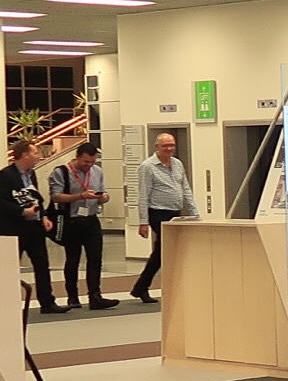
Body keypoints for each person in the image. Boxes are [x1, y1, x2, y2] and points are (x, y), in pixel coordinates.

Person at [46, 140, 118, 310]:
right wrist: (80, 196)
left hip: (91, 219)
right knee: (73, 259)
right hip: (71, 221)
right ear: (77, 157)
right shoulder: (61, 172)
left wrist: (103, 197)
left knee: (95, 258)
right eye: (86, 161)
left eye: (92, 162)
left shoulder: (97, 171)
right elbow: (56, 196)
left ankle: (95, 296)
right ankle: (72, 296)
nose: (89, 165)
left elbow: (104, 193)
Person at [131, 132, 198, 304]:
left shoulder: (177, 164)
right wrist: (143, 222)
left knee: (164, 251)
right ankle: (142, 287)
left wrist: (194, 213)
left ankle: (141, 287)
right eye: (165, 145)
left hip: (175, 212)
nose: (169, 148)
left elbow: (185, 189)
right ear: (157, 147)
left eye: (172, 145)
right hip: (157, 212)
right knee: (163, 250)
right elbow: (143, 195)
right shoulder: (147, 166)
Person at [1, 140, 64, 314]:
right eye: (35, 153)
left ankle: (47, 302)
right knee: (11, 266)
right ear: (24, 155)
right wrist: (22, 212)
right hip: (14, 228)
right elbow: (2, 202)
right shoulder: (6, 175)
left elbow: (35, 197)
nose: (38, 156)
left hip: (35, 227)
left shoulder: (31, 174)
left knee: (42, 264)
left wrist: (43, 216)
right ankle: (9, 302)